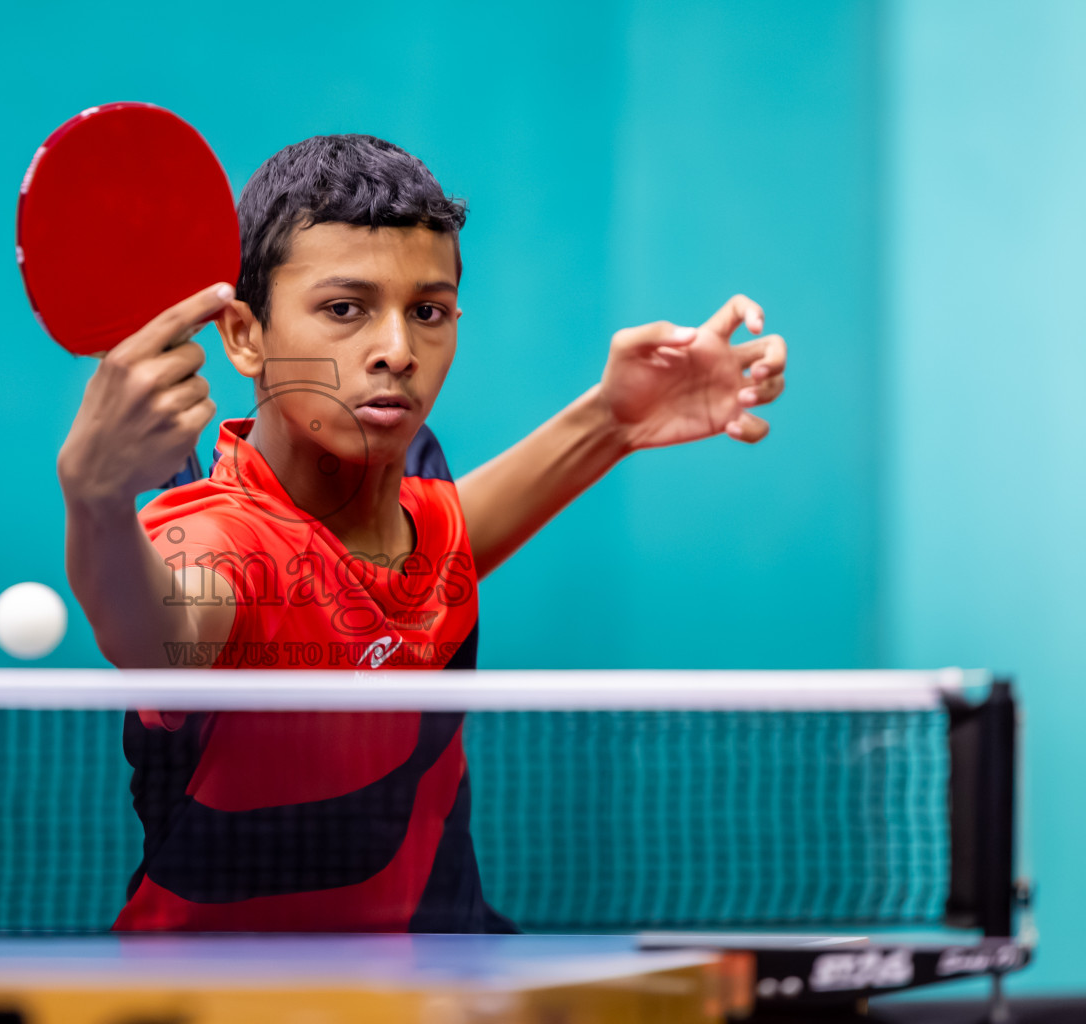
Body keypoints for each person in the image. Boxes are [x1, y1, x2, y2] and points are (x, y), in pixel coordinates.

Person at [57, 134, 787, 932]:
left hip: (430, 987)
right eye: (345, 309)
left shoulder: (429, 529)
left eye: (429, 312)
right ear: (243, 335)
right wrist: (95, 504)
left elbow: (452, 533)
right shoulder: (221, 542)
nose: (398, 352)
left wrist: (615, 417)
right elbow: (157, 630)